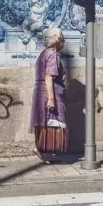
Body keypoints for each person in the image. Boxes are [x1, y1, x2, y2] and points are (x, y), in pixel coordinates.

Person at [30, 27, 68, 163]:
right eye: (62, 39)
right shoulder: (52, 54)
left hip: (40, 91)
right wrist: (51, 99)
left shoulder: (43, 54)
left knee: (44, 122)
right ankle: (42, 149)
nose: (63, 43)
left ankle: (43, 151)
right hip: (49, 92)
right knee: (51, 121)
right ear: (57, 40)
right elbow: (49, 77)